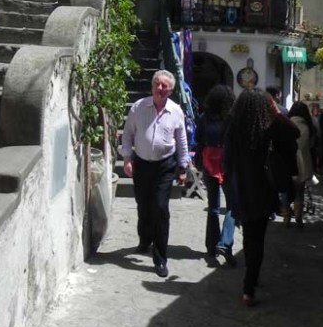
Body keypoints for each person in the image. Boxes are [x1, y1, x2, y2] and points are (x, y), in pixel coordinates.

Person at [223, 88, 298, 306]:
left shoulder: (233, 127)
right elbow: (295, 133)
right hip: (264, 189)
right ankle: (250, 285)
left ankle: (250, 281)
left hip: (242, 189)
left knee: (249, 237)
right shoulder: (269, 127)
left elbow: (227, 160)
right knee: (258, 238)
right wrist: (276, 112)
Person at [121, 69, 189, 278]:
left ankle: (160, 258)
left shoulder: (176, 111)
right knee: (143, 205)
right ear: (152, 87)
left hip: (164, 166)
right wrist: (127, 158)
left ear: (170, 90)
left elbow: (182, 140)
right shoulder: (138, 107)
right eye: (157, 84)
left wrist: (183, 166)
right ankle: (144, 239)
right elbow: (127, 135)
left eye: (164, 86)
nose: (160, 88)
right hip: (142, 164)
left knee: (160, 208)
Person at [196, 84, 237, 266]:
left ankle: (211, 246)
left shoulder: (204, 117)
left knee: (213, 205)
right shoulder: (231, 118)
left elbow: (198, 138)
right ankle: (225, 242)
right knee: (233, 205)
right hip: (227, 160)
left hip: (209, 159)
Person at [286, 101, 315, 229]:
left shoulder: (286, 124)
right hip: (303, 163)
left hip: (288, 162)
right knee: (299, 192)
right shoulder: (308, 126)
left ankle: (286, 216)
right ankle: (298, 217)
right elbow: (312, 145)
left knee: (286, 191)